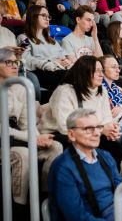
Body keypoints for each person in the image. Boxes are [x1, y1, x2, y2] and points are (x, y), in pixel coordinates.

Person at [48, 108, 122, 221]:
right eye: (88, 129)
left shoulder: (106, 156)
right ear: (71, 135)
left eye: (98, 127)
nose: (97, 133)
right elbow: (75, 216)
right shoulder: (62, 167)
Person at [0, 48, 63, 206]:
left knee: (55, 147)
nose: (15, 66)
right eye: (8, 62)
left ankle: (44, 201)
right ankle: (18, 207)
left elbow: (26, 123)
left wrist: (37, 138)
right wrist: (32, 138)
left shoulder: (21, 88)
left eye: (16, 62)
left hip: (16, 137)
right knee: (23, 154)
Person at [38, 56, 122, 166]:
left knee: (114, 145)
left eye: (102, 71)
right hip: (59, 134)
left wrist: (112, 128)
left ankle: (111, 181)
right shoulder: (64, 91)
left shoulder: (102, 92)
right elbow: (66, 127)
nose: (101, 74)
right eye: (97, 71)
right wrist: (101, 130)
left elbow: (106, 119)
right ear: (84, 73)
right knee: (84, 146)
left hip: (88, 132)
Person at [18, 5, 69, 92]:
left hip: (59, 71)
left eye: (48, 16)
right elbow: (25, 59)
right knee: (67, 77)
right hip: (41, 72)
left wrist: (66, 61)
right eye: (43, 15)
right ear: (33, 17)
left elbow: (62, 57)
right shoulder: (24, 38)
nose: (47, 18)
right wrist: (49, 62)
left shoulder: (53, 41)